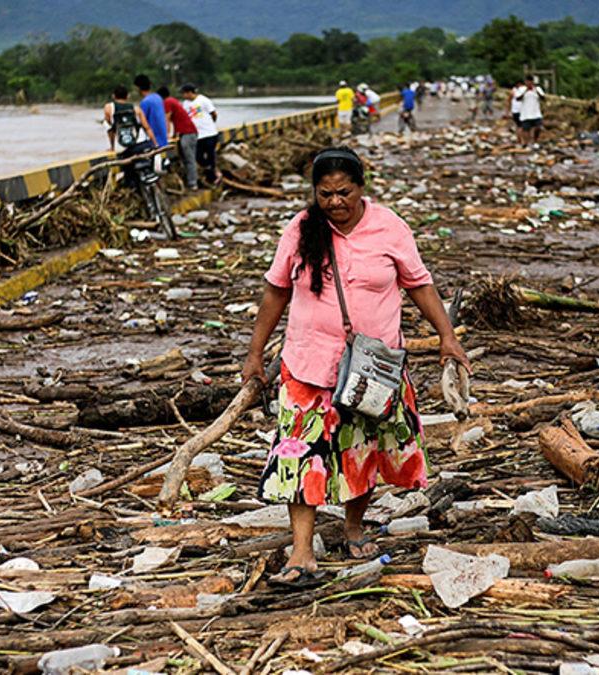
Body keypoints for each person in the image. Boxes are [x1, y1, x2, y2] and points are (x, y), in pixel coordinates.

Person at [242, 146, 470, 587]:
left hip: (372, 368)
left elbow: (420, 285)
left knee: (362, 449)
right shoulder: (302, 229)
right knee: (299, 455)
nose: (335, 202)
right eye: (325, 194)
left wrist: (447, 337)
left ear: (362, 188)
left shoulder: (390, 228)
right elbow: (276, 291)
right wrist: (255, 352)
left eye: (343, 192)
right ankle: (302, 550)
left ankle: (353, 527)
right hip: (308, 364)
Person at [103, 85, 158, 185]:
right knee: (150, 170)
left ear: (113, 96)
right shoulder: (136, 109)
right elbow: (147, 128)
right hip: (143, 143)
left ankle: (134, 189)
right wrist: (154, 144)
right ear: (127, 96)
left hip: (126, 148)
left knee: (129, 176)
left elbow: (110, 129)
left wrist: (112, 147)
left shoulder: (108, 108)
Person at [160, 85, 199, 190]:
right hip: (185, 132)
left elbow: (166, 119)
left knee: (189, 158)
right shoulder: (172, 101)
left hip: (188, 132)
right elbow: (176, 119)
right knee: (185, 158)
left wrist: (166, 136)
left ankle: (193, 183)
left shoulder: (167, 102)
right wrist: (174, 134)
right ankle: (190, 181)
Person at [180, 83, 219, 185]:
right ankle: (210, 172)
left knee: (211, 156)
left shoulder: (203, 100)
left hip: (210, 133)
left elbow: (214, 114)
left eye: (184, 93)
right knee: (198, 156)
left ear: (189, 93)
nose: (183, 96)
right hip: (196, 135)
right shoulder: (185, 104)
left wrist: (210, 124)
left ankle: (212, 178)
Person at [134, 75, 168, 151]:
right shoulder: (158, 97)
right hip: (163, 139)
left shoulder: (145, 102)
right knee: (163, 159)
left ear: (139, 88)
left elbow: (142, 122)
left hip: (154, 141)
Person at [515, 75, 545, 145]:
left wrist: (536, 91)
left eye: (530, 81)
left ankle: (535, 141)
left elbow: (543, 98)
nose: (529, 83)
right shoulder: (522, 89)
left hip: (536, 113)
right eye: (527, 81)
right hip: (526, 114)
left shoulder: (537, 89)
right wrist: (526, 91)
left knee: (538, 127)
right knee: (526, 130)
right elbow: (518, 98)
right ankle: (527, 143)